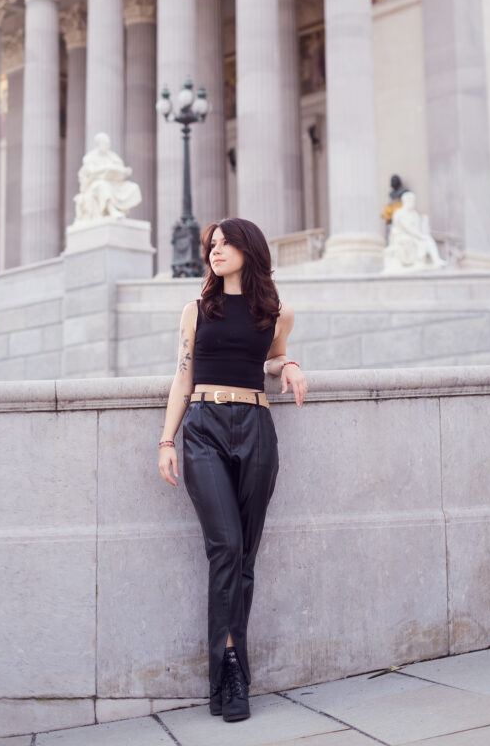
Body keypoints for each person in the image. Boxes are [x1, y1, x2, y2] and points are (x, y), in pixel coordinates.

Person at [158, 217, 308, 723]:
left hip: (256, 428)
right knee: (225, 546)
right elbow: (182, 378)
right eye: (211, 245)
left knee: (245, 555)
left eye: (225, 244)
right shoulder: (197, 311)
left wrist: (289, 364)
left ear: (250, 249)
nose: (214, 252)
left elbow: (272, 357)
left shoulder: (277, 311)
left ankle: (230, 678)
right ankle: (229, 668)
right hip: (203, 427)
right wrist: (167, 440)